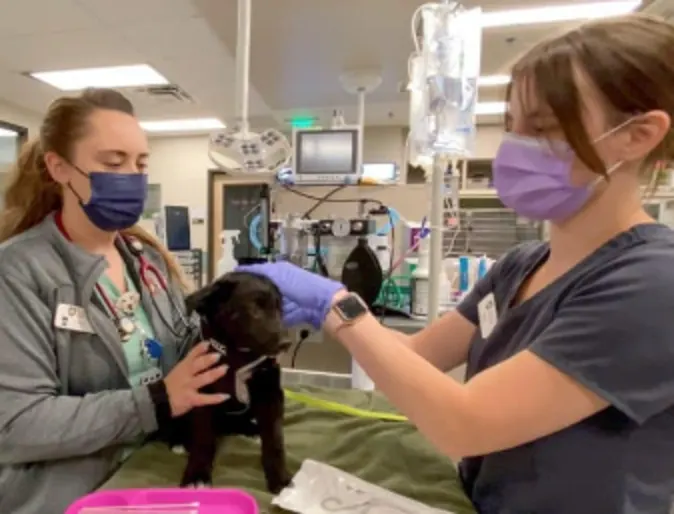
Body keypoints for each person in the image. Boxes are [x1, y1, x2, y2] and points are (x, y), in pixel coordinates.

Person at [241, 14, 674, 514]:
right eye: (512, 126)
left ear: (637, 135)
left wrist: (338, 305)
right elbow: (417, 358)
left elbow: (466, 423)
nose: (515, 147)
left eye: (544, 128)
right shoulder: (521, 264)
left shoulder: (651, 284)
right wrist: (329, 318)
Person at [0, 88, 229, 513]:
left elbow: (182, 352)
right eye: (112, 163)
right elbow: (15, 425)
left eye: (141, 164)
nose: (132, 177)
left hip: (150, 468)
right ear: (59, 167)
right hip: (68, 494)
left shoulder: (147, 260)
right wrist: (156, 401)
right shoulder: (17, 273)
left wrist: (235, 323)